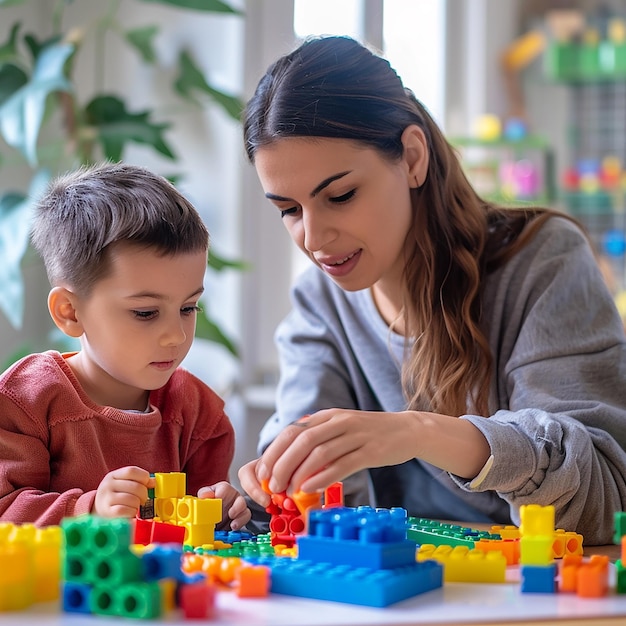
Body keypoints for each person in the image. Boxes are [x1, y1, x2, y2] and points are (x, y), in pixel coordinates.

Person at [238, 35, 626, 545]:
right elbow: (318, 503)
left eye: (340, 195)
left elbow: (604, 500)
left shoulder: (542, 261)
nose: (313, 238)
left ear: (413, 157)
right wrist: (263, 497)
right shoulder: (321, 300)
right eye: (288, 209)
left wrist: (418, 433)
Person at [0, 162, 251, 530]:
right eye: (146, 313)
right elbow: (6, 511)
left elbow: (198, 539)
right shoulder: (26, 401)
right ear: (70, 312)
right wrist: (90, 511)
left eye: (187, 307)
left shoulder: (199, 415)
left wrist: (221, 513)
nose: (176, 336)